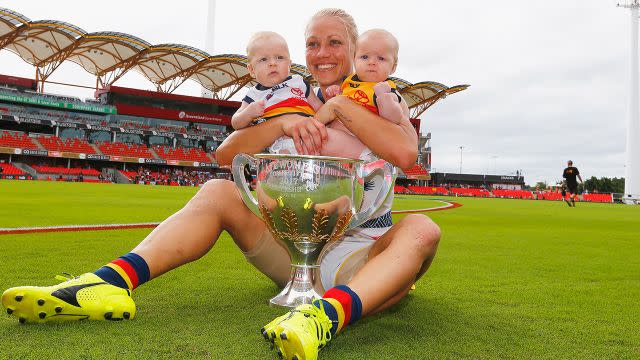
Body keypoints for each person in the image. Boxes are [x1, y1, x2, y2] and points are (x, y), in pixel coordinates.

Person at [2, 8, 441, 360]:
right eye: (312, 43)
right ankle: (105, 283)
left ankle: (322, 318)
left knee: (422, 229)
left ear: (354, 48)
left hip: (361, 260)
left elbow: (404, 153)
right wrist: (283, 122)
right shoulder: (288, 96)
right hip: (291, 251)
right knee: (216, 191)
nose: (322, 52)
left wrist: (341, 107)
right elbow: (227, 154)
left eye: (334, 42)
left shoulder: (379, 97)